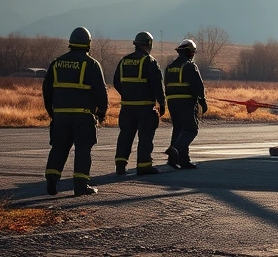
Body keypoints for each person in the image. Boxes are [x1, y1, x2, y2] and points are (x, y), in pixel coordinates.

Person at [43, 26, 108, 196]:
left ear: (71, 43)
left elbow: (47, 90)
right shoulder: (92, 64)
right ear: (88, 43)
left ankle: (52, 178)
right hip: (83, 116)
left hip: (60, 115)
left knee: (58, 147)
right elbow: (101, 91)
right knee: (83, 149)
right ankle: (80, 186)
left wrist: (52, 112)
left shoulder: (56, 63)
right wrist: (101, 113)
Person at [113, 31, 165, 176]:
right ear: (149, 44)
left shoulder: (124, 61)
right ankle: (144, 165)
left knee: (125, 135)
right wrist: (162, 103)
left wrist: (127, 94)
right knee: (145, 136)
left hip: (127, 107)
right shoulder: (149, 61)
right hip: (145, 107)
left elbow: (116, 81)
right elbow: (157, 85)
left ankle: (120, 165)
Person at [164, 38, 207, 169]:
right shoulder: (190, 66)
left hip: (172, 102)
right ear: (190, 53)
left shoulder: (170, 67)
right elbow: (198, 86)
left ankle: (181, 160)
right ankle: (175, 150)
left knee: (178, 128)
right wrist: (202, 101)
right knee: (191, 129)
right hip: (187, 101)